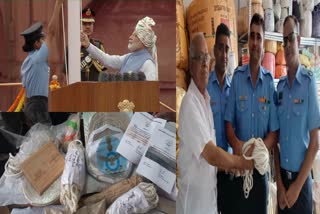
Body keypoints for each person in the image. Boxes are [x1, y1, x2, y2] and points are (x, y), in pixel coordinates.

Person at [177, 32, 254, 214]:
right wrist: (240, 162)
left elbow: (208, 159)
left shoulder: (205, 101)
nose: (204, 63)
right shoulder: (189, 103)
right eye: (198, 58)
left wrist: (230, 166)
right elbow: (210, 153)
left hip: (208, 203)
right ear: (190, 65)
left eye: (206, 57)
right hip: (194, 207)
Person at [224, 13, 279, 214]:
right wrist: (240, 148)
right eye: (252, 36)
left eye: (259, 37)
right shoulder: (237, 79)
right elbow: (228, 123)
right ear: (248, 42)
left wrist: (259, 152)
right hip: (239, 169)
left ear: (264, 45)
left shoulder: (269, 84)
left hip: (261, 172)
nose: (255, 42)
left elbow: (274, 132)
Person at [274, 15, 320, 214]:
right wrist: (281, 186)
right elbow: (275, 141)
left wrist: (296, 187)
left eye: (291, 38)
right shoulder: (281, 88)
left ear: (299, 41)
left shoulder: (309, 83)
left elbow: (315, 142)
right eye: (284, 40)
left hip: (301, 185)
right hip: (283, 184)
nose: (288, 45)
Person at [20, 0, 63, 126]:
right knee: (45, 141)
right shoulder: (39, 58)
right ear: (36, 43)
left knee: (37, 142)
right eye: (43, 40)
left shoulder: (27, 61)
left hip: (30, 105)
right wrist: (58, 4)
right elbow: (52, 31)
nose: (46, 43)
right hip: (39, 105)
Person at [207, 23, 234, 214]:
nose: (224, 54)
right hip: (209, 171)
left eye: (227, 49)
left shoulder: (235, 91)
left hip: (229, 172)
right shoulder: (205, 88)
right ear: (214, 50)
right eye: (220, 48)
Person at [80, 16, 158, 81]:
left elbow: (149, 92)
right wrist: (88, 45)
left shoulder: (148, 63)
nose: (130, 37)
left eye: (135, 35)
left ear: (143, 40)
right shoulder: (128, 57)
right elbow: (107, 59)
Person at [80, 8, 106, 81]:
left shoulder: (98, 46)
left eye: (90, 24)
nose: (87, 26)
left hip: (96, 89)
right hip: (78, 88)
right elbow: (66, 74)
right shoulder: (72, 47)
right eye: (84, 24)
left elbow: (103, 71)